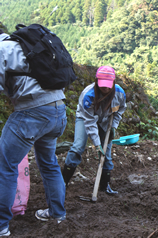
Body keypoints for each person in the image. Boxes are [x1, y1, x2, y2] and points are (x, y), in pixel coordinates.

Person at [0, 29, 67, 236]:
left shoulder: (2, 49)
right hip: (58, 110)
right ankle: (58, 214)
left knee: (6, 166)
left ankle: (1, 225)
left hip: (32, 113)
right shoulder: (27, 44)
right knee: (49, 164)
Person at [62, 66, 126, 195]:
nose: (106, 88)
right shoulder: (88, 95)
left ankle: (104, 185)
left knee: (106, 152)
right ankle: (63, 182)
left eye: (109, 85)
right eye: (103, 85)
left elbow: (120, 110)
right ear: (96, 81)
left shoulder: (119, 93)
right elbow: (90, 123)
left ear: (113, 82)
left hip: (106, 120)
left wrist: (113, 126)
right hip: (85, 118)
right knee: (78, 147)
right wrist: (97, 144)